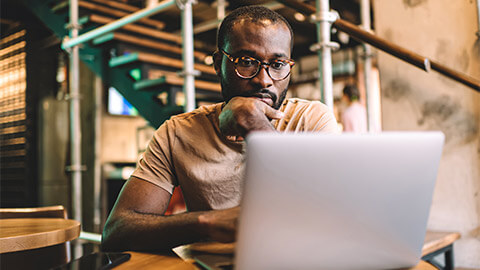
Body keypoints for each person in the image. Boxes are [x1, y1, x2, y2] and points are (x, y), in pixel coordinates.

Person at [101, 5, 338, 251]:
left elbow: (328, 215)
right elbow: (117, 232)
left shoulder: (311, 120)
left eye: (278, 64)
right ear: (218, 64)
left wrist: (254, 125)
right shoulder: (176, 132)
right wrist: (205, 222)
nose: (264, 79)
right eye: (246, 62)